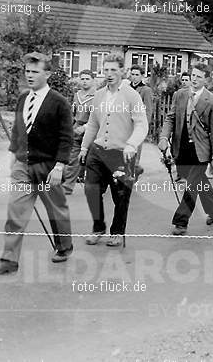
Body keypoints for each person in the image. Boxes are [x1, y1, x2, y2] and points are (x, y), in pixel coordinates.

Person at [0, 52, 73, 276]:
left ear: (48, 73)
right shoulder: (24, 98)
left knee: (56, 211)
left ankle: (63, 246)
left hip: (48, 166)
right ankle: (9, 259)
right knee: (15, 213)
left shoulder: (59, 102)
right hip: (23, 167)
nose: (30, 75)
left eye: (35, 72)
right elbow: (17, 129)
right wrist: (13, 155)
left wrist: (60, 166)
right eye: (27, 71)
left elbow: (66, 137)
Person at [78, 54, 148, 247]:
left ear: (122, 71)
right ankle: (98, 227)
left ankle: (116, 232)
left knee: (121, 196)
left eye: (113, 70)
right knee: (91, 190)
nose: (109, 74)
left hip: (121, 153)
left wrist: (132, 144)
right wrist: (84, 147)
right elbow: (92, 123)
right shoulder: (99, 94)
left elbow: (142, 125)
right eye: (106, 70)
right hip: (98, 151)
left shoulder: (131, 95)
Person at [158, 63, 213, 235]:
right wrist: (164, 137)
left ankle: (181, 221)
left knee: (192, 186)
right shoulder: (180, 95)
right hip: (181, 148)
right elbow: (170, 118)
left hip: (201, 150)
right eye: (193, 75)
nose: (194, 79)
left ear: (206, 80)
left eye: (199, 77)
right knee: (197, 180)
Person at [62, 69, 96, 195]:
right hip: (76, 129)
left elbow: (97, 117)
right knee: (73, 158)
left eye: (87, 79)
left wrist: (86, 127)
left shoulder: (97, 96)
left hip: (91, 130)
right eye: (82, 79)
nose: (85, 81)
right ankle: (67, 187)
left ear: (93, 80)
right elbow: (72, 113)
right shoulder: (76, 95)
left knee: (92, 160)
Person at [128, 65, 154, 171]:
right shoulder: (126, 88)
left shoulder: (146, 90)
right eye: (132, 74)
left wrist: (144, 126)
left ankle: (134, 172)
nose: (134, 77)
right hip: (125, 123)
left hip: (137, 124)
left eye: (137, 75)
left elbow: (148, 110)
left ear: (142, 76)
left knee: (136, 149)